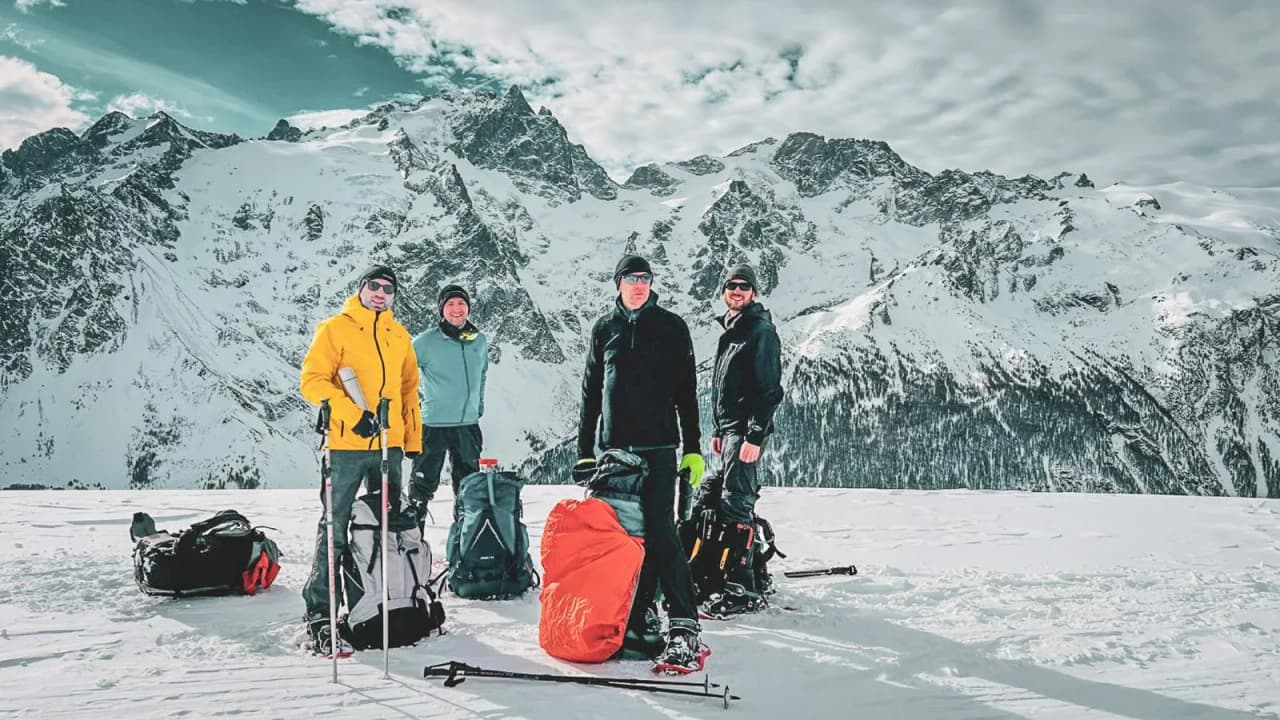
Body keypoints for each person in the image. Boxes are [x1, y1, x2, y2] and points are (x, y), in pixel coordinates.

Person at [576, 254, 708, 672]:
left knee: (661, 532)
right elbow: (590, 393)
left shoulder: (671, 327)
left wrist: (693, 447)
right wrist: (584, 450)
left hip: (659, 448)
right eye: (632, 278)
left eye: (645, 279)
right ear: (618, 284)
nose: (639, 285)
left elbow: (687, 392)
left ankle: (685, 627)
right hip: (614, 454)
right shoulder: (604, 329)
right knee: (620, 539)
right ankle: (635, 613)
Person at [298, 264, 422, 656]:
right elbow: (312, 381)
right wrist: (353, 415)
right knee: (334, 527)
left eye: (388, 288)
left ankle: (382, 602)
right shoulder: (335, 329)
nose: (381, 293)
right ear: (361, 289)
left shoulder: (398, 335)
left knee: (388, 527)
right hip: (347, 445)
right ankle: (321, 613)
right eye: (374, 286)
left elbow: (408, 391)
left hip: (390, 445)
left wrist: (411, 440)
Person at [701, 263, 784, 618]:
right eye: (732, 286)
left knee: (736, 503)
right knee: (727, 499)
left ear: (754, 293)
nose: (737, 291)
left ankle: (742, 588)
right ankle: (742, 575)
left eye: (744, 287)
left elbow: (770, 390)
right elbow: (727, 388)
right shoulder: (733, 331)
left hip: (745, 434)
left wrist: (754, 435)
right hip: (731, 431)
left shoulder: (759, 331)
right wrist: (721, 430)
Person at [409, 284, 488, 519]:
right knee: (421, 490)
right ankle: (413, 548)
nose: (456, 309)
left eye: (461, 303)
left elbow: (482, 374)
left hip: (468, 426)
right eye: (450, 304)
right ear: (441, 310)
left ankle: (464, 548)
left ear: (468, 308)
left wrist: (479, 405)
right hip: (434, 425)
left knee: (469, 491)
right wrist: (414, 408)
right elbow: (402, 376)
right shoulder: (425, 342)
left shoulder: (479, 340)